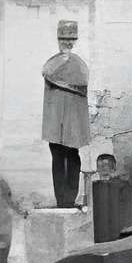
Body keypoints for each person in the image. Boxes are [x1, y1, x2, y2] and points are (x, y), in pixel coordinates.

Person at [41, 22, 91, 210]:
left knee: (73, 157)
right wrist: (63, 60)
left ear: (75, 40)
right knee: (57, 158)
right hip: (55, 121)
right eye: (64, 39)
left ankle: (70, 198)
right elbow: (47, 72)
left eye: (71, 39)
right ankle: (61, 200)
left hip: (73, 123)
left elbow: (82, 81)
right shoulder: (53, 61)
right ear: (58, 39)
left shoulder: (79, 63)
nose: (67, 42)